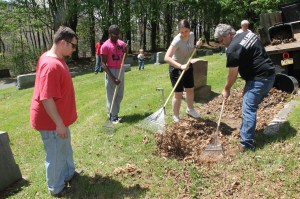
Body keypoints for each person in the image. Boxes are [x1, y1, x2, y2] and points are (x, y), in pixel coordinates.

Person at [30, 26, 79, 197]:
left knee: (64, 149)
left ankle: (69, 174)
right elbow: (46, 98)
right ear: (63, 43)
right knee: (56, 155)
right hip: (51, 122)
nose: (74, 49)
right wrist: (58, 124)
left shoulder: (56, 58)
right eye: (73, 46)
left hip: (60, 120)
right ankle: (56, 188)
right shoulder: (51, 65)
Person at [214, 24, 276, 151]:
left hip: (258, 79)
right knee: (250, 105)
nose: (221, 44)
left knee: (248, 109)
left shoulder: (232, 48)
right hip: (270, 74)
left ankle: (246, 145)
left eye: (221, 40)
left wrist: (226, 89)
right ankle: (246, 131)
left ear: (228, 35)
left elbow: (233, 73)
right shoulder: (248, 34)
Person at [164, 19, 202, 122]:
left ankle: (190, 109)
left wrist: (196, 46)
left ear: (190, 29)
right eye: (182, 32)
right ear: (178, 31)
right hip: (176, 68)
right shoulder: (177, 41)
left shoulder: (192, 35)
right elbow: (167, 58)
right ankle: (175, 116)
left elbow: (190, 49)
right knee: (178, 94)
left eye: (186, 31)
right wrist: (180, 66)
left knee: (190, 89)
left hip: (188, 66)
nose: (184, 34)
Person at [100, 25, 127, 124]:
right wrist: (113, 78)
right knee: (111, 94)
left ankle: (115, 113)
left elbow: (125, 53)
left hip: (120, 70)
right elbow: (103, 64)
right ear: (110, 34)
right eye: (115, 34)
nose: (117, 36)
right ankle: (112, 115)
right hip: (110, 71)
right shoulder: (105, 46)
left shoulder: (122, 44)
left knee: (120, 94)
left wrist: (122, 62)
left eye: (118, 34)